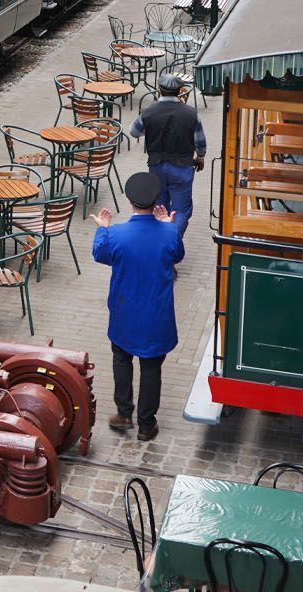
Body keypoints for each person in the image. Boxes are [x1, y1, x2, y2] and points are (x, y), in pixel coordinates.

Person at [92, 172, 184, 440]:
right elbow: (177, 254)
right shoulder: (169, 232)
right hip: (157, 315)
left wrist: (103, 227)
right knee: (152, 368)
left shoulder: (117, 234)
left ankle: (124, 413)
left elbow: (100, 254)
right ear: (156, 200)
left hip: (124, 311)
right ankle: (146, 424)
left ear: (130, 200)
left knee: (121, 359)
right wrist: (168, 224)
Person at [130, 71, 206, 241]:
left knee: (159, 208)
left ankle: (159, 245)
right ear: (181, 91)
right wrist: (200, 158)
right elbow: (200, 142)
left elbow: (134, 132)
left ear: (159, 90)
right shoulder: (191, 114)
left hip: (156, 167)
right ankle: (171, 244)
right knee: (180, 210)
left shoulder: (149, 112)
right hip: (182, 168)